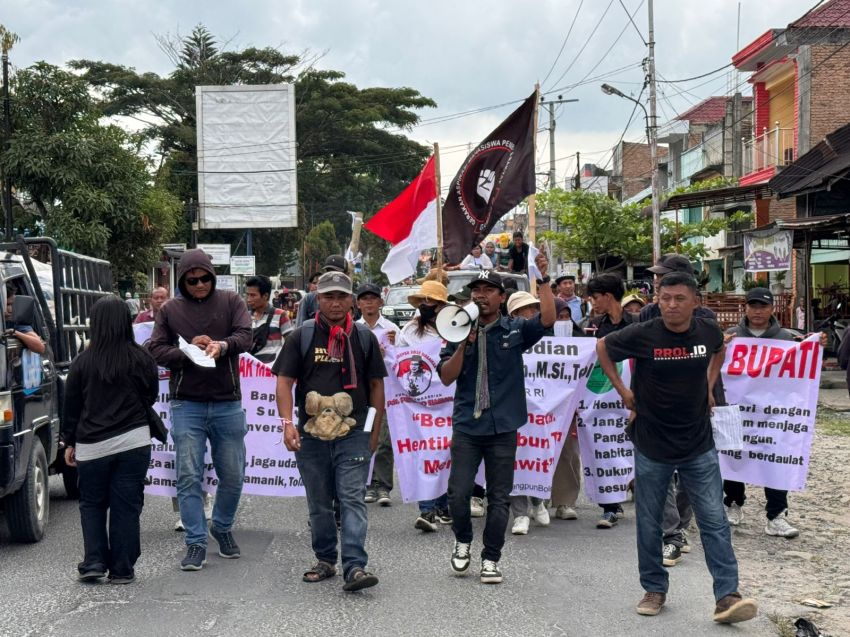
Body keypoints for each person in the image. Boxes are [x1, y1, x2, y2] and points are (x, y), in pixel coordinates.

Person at [596, 272, 758, 623]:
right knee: (650, 522)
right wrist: (624, 393)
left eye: (679, 298)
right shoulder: (643, 333)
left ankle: (727, 596)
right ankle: (654, 589)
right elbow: (603, 348)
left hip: (698, 443)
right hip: (652, 443)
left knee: (714, 519)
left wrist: (709, 385)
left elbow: (718, 351)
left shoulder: (708, 331)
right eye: (665, 297)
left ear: (695, 302)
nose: (670, 304)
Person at [439, 259, 555, 584]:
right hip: (467, 426)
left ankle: (491, 558)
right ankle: (463, 540)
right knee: (457, 495)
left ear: (501, 297)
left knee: (499, 498)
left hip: (503, 427)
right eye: (476, 290)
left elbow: (546, 319)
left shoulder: (515, 329)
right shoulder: (457, 330)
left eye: (488, 290)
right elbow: (447, 377)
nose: (481, 296)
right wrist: (464, 342)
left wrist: (542, 278)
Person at [273, 271, 386, 592]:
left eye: (341, 297)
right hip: (311, 436)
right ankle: (325, 559)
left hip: (354, 434)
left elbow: (376, 386)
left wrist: (373, 430)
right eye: (328, 297)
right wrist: (286, 424)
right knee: (319, 502)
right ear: (317, 300)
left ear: (352, 300)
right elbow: (284, 382)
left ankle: (355, 566)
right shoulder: (302, 336)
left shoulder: (364, 339)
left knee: (352, 499)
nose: (335, 303)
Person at [148, 248, 252, 571]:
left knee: (233, 475)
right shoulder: (170, 310)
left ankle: (220, 526)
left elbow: (246, 336)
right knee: (189, 476)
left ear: (212, 275)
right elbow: (155, 348)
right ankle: (195, 542)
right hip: (186, 403)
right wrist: (188, 352)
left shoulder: (232, 302)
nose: (199, 285)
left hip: (227, 402)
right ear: (183, 281)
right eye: (191, 280)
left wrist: (221, 346)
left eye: (204, 278)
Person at [62, 296, 158, 584]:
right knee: (126, 505)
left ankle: (93, 561)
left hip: (93, 445)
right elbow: (150, 396)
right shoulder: (142, 358)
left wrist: (69, 442)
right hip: (133, 442)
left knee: (92, 504)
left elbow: (72, 406)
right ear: (126, 323)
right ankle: (123, 569)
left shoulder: (82, 363)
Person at [722, 287, 801, 539]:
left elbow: (802, 371)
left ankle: (777, 515)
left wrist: (816, 345)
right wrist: (721, 347)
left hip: (773, 414)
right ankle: (733, 504)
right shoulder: (730, 336)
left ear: (771, 309)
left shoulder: (787, 339)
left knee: (776, 460)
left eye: (763, 306)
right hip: (738, 411)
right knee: (735, 456)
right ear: (745, 308)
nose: (758, 311)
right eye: (753, 305)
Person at [400, 280, 452, 532]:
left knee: (445, 454)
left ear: (441, 305)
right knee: (425, 452)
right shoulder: (410, 330)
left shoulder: (454, 327)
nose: (425, 305)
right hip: (419, 405)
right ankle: (427, 510)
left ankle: (443, 505)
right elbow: (398, 361)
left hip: (448, 403)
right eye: (422, 301)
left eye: (429, 301)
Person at [584, 273, 634, 529]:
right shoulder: (592, 327)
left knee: (635, 450)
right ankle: (610, 507)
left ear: (607, 296)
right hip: (603, 400)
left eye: (594, 297)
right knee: (603, 449)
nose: (592, 302)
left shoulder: (638, 324)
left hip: (634, 400)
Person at [505, 291, 550, 536]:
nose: (532, 313)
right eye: (526, 310)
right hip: (513, 407)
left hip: (542, 410)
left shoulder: (549, 340)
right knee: (514, 458)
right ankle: (519, 513)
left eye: (534, 308)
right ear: (514, 315)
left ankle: (538, 499)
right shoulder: (507, 339)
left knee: (537, 454)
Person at [356, 282, 400, 507]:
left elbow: (403, 359)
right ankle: (365, 484)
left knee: (384, 439)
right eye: (364, 299)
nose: (369, 302)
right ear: (358, 304)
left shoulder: (391, 328)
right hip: (361, 392)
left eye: (373, 298)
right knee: (362, 437)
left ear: (380, 302)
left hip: (387, 390)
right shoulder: (354, 328)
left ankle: (383, 486)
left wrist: (392, 348)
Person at [245, 275, 293, 364]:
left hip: (272, 370)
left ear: (265, 296)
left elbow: (291, 345)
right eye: (247, 295)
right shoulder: (245, 317)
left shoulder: (281, 315)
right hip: (249, 370)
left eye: (253, 295)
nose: (248, 299)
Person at [296, 256, 349, 327]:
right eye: (329, 271)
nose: (332, 275)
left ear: (347, 274)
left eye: (337, 272)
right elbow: (300, 327)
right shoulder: (309, 298)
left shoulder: (353, 299)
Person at [4, 285, 46, 354]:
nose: (11, 310)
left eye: (12, 305)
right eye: (7, 305)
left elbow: (40, 347)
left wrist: (15, 333)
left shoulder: (15, 324)